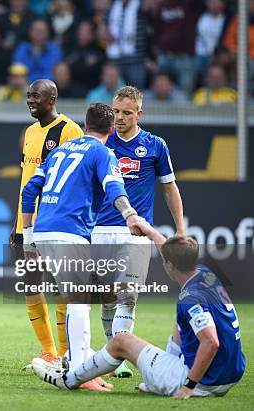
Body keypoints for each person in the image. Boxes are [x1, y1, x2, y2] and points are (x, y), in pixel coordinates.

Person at [21, 102, 147, 391]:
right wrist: (130, 215)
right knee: (79, 302)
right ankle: (80, 370)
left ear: (84, 124)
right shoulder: (103, 152)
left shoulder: (59, 150)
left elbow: (30, 190)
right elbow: (114, 186)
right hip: (70, 232)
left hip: (44, 231)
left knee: (78, 298)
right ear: (112, 128)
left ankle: (77, 361)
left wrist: (28, 237)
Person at [33, 232, 246, 399]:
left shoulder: (190, 297)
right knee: (181, 322)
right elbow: (173, 251)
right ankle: (162, 377)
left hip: (200, 382)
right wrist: (149, 232)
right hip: (229, 377)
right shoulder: (207, 276)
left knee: (120, 341)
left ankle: (68, 380)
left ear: (170, 266)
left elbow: (211, 342)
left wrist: (188, 386)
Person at [93, 86, 185, 378]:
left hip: (136, 232)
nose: (119, 118)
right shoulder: (100, 144)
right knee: (106, 296)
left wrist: (180, 230)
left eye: (126, 113)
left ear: (139, 113)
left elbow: (169, 187)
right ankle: (114, 355)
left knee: (128, 294)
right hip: (100, 229)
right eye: (116, 112)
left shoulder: (155, 145)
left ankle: (118, 355)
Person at [8, 79, 83, 368]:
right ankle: (48, 351)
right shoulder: (29, 132)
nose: (30, 100)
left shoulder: (69, 130)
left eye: (35, 96)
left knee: (61, 288)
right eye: (28, 95)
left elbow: (74, 180)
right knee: (30, 286)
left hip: (54, 223)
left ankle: (66, 353)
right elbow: (27, 179)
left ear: (52, 99)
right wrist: (18, 225)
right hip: (26, 224)